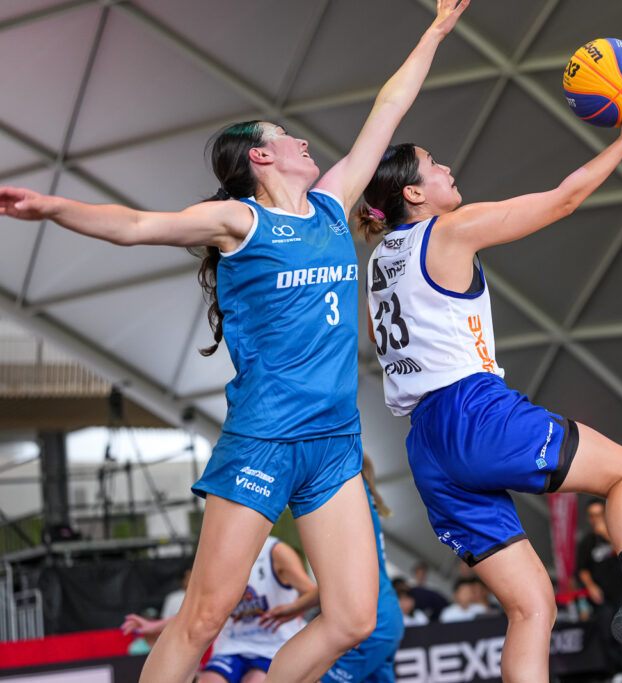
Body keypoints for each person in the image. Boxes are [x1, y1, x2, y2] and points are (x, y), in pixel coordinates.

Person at [1, 4, 470, 680]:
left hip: (335, 441)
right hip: (265, 437)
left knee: (353, 619)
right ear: (261, 155)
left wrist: (435, 31)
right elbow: (135, 225)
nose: (303, 141)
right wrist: (51, 207)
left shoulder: (333, 203)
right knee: (202, 617)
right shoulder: (238, 220)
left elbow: (388, 108)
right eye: (286, 137)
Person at [356, 87, 622, 679]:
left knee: (532, 608)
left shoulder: (378, 263)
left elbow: (379, 338)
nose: (447, 167)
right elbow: (563, 200)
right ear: (413, 193)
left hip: (426, 446)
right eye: (433, 164)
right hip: (474, 412)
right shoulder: (449, 230)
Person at [261, 458, 405, 683]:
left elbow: (346, 579)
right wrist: (297, 607)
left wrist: (348, 620)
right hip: (384, 613)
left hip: (372, 617)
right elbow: (348, 577)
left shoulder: (341, 487)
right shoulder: (359, 491)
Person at [122, 537, 315, 683]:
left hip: (273, 647)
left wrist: (294, 607)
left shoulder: (275, 552)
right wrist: (156, 625)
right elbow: (201, 610)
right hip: (232, 647)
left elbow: (314, 593)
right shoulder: (218, 556)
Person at [577, 499, 622, 683]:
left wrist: (607, 535)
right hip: (602, 595)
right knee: (607, 631)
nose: (596, 519)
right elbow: (582, 569)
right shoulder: (587, 542)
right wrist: (591, 586)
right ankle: (617, 669)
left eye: (599, 514)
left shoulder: (618, 533)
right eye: (592, 516)